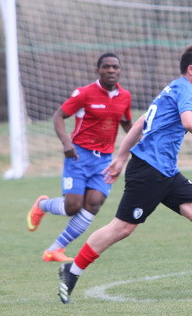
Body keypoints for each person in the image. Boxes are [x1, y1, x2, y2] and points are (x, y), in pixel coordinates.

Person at [56, 44, 192, 303]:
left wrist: (121, 156)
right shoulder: (186, 90)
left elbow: (142, 121)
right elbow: (189, 121)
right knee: (122, 228)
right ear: (191, 69)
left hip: (164, 170)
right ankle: (72, 270)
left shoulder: (173, 88)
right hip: (149, 171)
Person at [26, 53, 133, 262]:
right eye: (106, 67)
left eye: (115, 67)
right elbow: (59, 116)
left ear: (120, 71)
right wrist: (66, 143)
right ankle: (42, 205)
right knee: (72, 206)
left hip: (104, 160)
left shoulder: (125, 96)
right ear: (98, 70)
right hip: (79, 156)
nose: (111, 70)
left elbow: (127, 123)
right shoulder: (85, 93)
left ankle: (54, 250)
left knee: (94, 203)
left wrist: (141, 142)